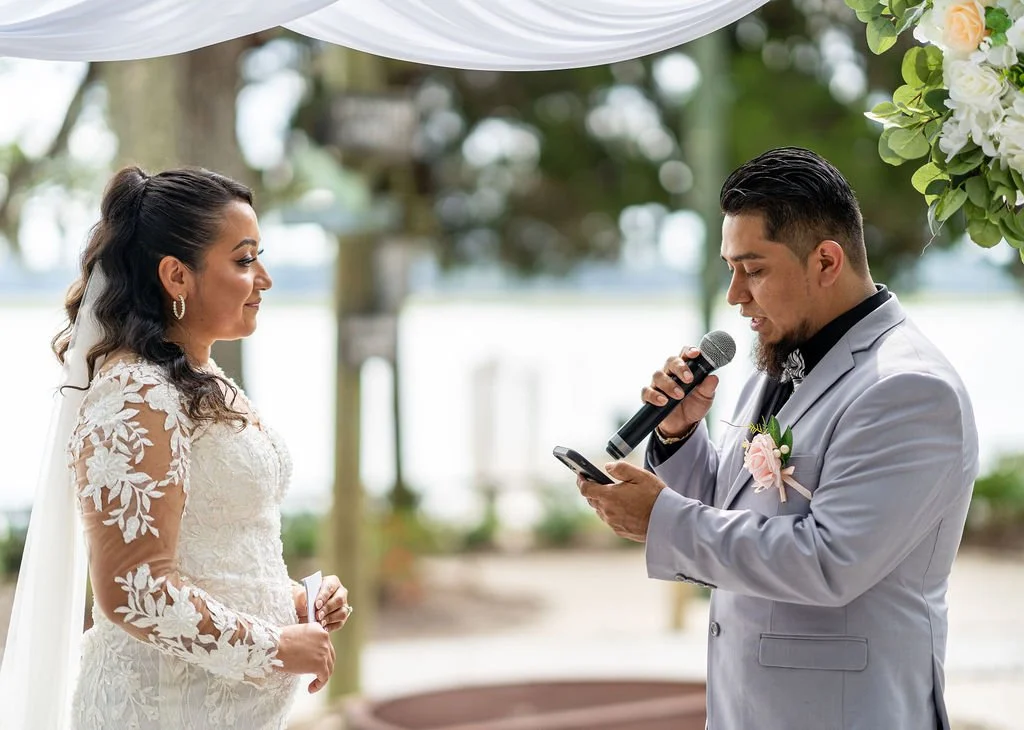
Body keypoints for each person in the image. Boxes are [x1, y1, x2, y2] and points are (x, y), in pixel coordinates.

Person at [578, 147, 978, 730]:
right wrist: (680, 432)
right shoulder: (774, 363)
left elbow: (829, 561)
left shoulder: (909, 388)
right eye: (730, 268)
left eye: (754, 269)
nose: (736, 294)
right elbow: (732, 509)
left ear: (825, 260)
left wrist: (661, 519)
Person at [0, 166, 353, 729]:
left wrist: (293, 600)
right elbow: (132, 590)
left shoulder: (199, 380)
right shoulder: (135, 395)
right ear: (176, 275)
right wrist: (275, 648)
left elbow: (213, 549)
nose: (264, 278)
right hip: (163, 711)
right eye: (243, 260)